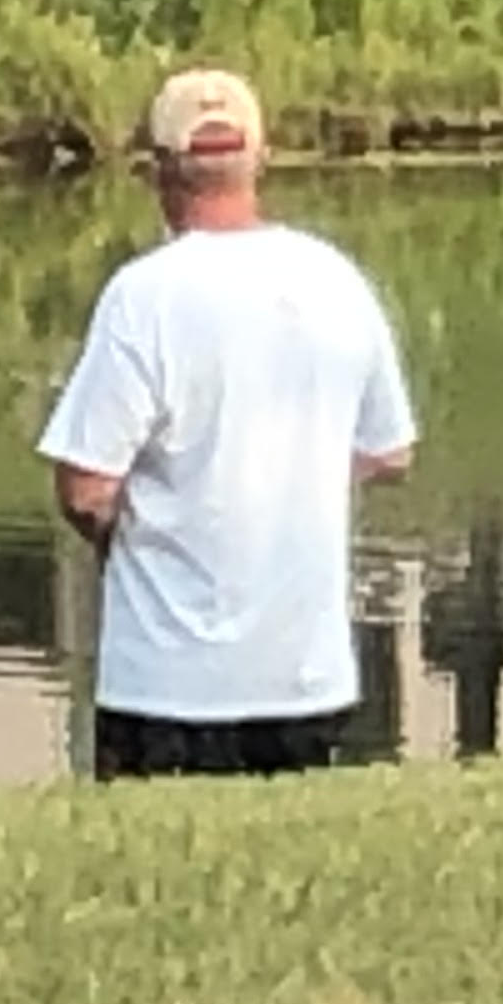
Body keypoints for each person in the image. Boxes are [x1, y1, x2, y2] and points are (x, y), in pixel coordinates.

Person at [39, 69, 419, 782]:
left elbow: (85, 488)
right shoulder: (336, 280)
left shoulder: (141, 297)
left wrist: (115, 531)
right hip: (308, 677)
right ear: (262, 160)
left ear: (157, 170)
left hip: (165, 683)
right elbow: (390, 451)